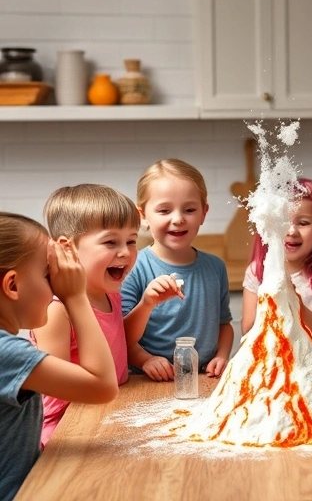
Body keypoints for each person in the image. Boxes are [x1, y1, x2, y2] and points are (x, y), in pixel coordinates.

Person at [0, 212, 118, 501]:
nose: (55, 286)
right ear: (12, 286)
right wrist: (75, 296)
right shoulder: (8, 354)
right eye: (47, 276)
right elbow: (102, 386)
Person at [30, 184, 140, 446]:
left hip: (106, 412)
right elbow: (58, 388)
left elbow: (118, 341)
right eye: (111, 242)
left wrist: (146, 304)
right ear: (68, 249)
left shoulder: (110, 292)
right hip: (63, 431)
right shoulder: (56, 311)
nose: (125, 251)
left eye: (132, 240)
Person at [121, 158, 234, 382]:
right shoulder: (133, 267)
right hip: (146, 379)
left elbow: (224, 325)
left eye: (189, 209)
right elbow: (120, 336)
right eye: (164, 210)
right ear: (142, 215)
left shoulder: (215, 267)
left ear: (204, 212)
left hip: (204, 378)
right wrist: (145, 360)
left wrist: (222, 356)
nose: (178, 219)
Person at [241, 177, 312, 357]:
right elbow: (248, 331)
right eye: (283, 223)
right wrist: (272, 299)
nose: (291, 231)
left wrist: (297, 306)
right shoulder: (258, 271)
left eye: (303, 223)